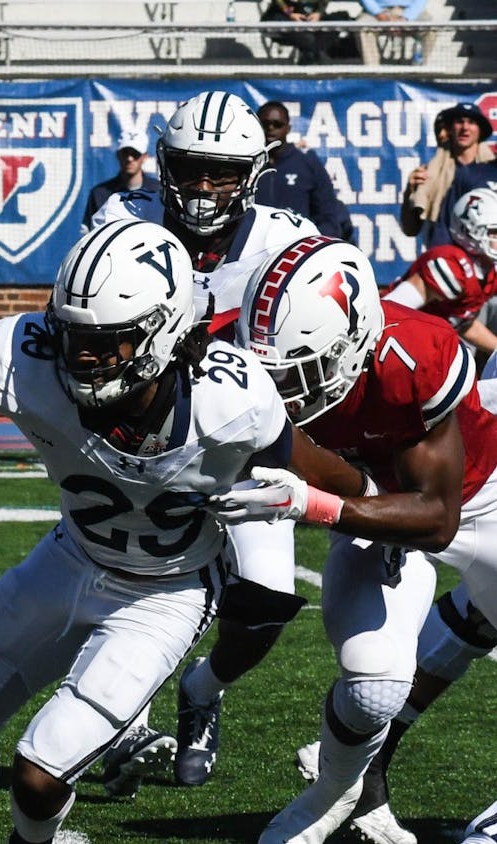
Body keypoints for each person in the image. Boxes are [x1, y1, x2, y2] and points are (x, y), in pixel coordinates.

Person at [0, 219, 364, 844]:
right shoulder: (32, 357)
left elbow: (319, 473)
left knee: (41, 770)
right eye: (72, 334)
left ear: (165, 333)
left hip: (165, 592)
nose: (79, 355)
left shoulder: (233, 402)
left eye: (105, 341)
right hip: (71, 557)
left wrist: (360, 502)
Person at [210, 234, 497, 844]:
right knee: (373, 682)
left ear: (355, 340)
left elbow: (437, 515)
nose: (283, 393)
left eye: (303, 372)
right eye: (270, 371)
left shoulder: (416, 354)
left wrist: (311, 502)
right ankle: (335, 794)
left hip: (475, 497)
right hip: (372, 501)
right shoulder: (231, 342)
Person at [90, 90, 321, 794]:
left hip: (245, 444)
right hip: (142, 445)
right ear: (165, 164)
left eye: (221, 172)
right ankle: (122, 726)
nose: (202, 187)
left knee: (268, 601)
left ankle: (204, 687)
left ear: (251, 173)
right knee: (123, 586)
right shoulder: (121, 219)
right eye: (190, 168)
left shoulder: (287, 238)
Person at [384, 187, 497, 362]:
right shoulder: (450, 265)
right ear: (469, 231)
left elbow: (464, 323)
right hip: (396, 342)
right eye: (494, 232)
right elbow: (391, 310)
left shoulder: (486, 269)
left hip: (427, 342)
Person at [401, 101, 495, 244]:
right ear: (450, 129)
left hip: (486, 257)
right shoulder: (429, 174)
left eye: (471, 122)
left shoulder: (492, 171)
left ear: (480, 130)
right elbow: (410, 229)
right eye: (459, 122)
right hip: (445, 254)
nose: (465, 128)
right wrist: (410, 192)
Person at [255, 101, 352, 238]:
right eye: (265, 124)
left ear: (288, 128)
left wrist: (313, 246)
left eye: (277, 124)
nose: (271, 128)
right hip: (255, 247)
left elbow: (326, 214)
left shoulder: (306, 162)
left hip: (295, 246)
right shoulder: (247, 163)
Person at [82, 131, 160, 229]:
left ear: (144, 157)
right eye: (125, 153)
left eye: (135, 154)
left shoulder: (158, 191)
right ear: (118, 155)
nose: (129, 158)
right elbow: (88, 232)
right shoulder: (99, 193)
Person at [357, 0, 437, 65]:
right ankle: (373, 74)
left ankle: (426, 72)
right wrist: (379, 14)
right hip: (376, 12)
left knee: (431, 28)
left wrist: (406, 18)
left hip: (411, 11)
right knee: (363, 27)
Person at [260, 0, 336, 63]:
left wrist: (318, 13)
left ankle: (315, 53)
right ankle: (311, 54)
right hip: (280, 17)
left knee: (341, 17)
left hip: (307, 20)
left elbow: (324, 2)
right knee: (308, 39)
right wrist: (290, 14)